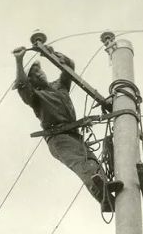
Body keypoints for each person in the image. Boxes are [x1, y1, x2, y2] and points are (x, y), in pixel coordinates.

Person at [12, 46, 122, 210]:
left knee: (92, 161)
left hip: (73, 135)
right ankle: (102, 195)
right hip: (58, 137)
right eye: (34, 73)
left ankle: (106, 199)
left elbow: (69, 67)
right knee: (82, 162)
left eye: (39, 70)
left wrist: (52, 54)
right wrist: (19, 60)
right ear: (32, 81)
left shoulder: (59, 86)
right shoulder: (34, 96)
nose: (39, 73)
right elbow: (21, 85)